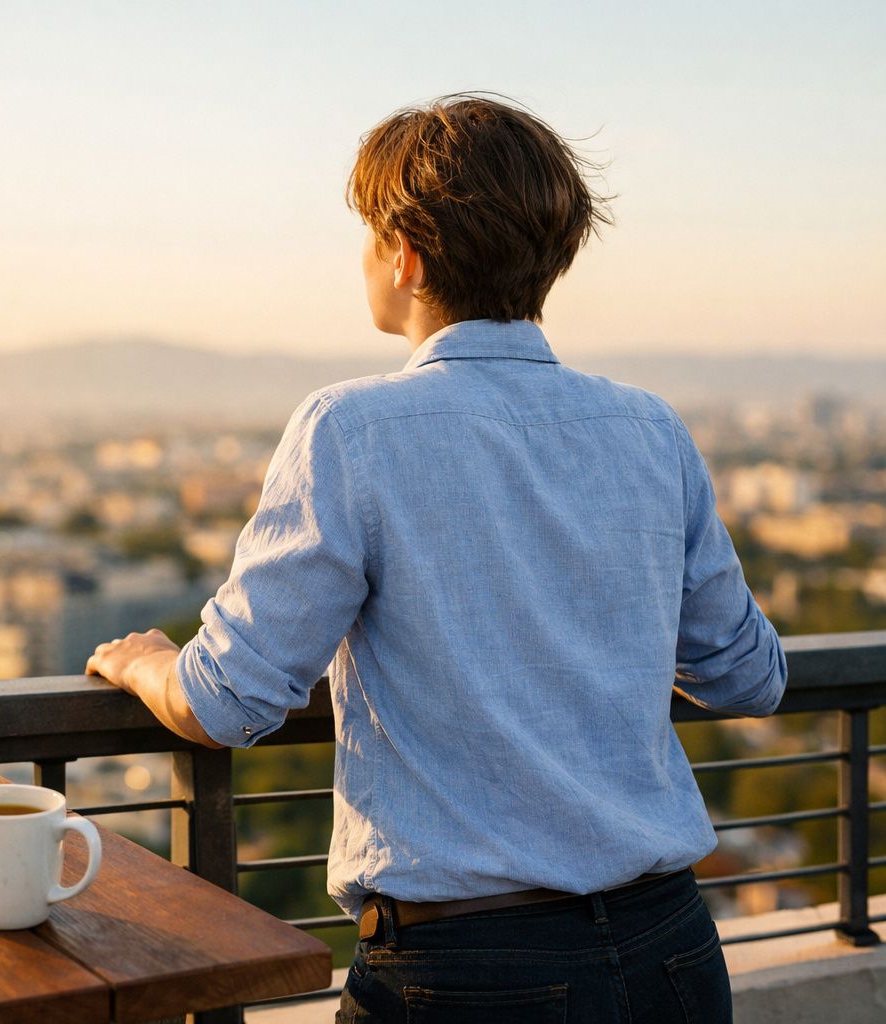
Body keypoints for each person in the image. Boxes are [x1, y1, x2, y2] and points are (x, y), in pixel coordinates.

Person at [85, 93, 785, 1023]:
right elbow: (749, 679)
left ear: (406, 255)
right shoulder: (649, 428)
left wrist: (141, 663)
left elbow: (225, 699)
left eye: (370, 236)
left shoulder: (351, 429)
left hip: (466, 970)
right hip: (672, 952)